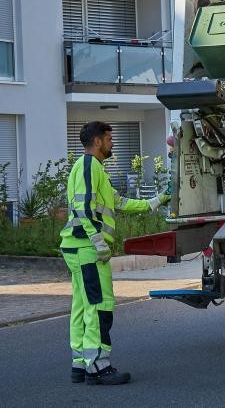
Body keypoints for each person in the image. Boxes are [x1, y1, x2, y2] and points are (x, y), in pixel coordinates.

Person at [59, 121, 170, 385]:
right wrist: (98, 241)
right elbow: (83, 206)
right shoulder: (88, 166)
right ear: (96, 141)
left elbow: (117, 202)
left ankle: (80, 363)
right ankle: (98, 367)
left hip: (77, 247)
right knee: (99, 306)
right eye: (109, 139)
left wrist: (155, 201)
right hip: (87, 249)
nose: (112, 143)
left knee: (82, 305)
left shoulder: (93, 168)